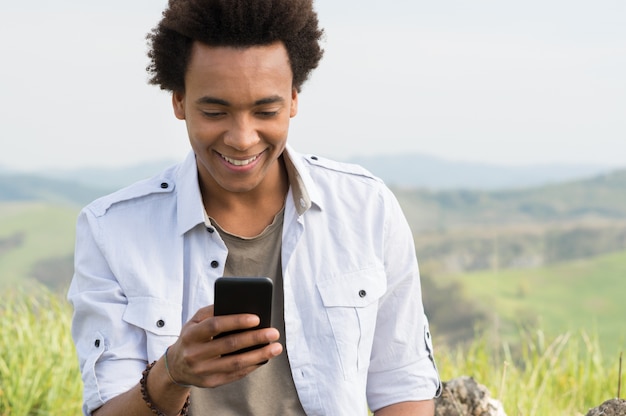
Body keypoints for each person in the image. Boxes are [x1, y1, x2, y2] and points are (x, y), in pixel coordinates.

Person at [68, 0, 441, 415]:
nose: (242, 138)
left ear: (294, 100)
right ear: (178, 102)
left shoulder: (366, 208)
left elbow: (402, 382)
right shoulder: (112, 230)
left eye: (266, 110)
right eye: (214, 111)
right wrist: (172, 373)